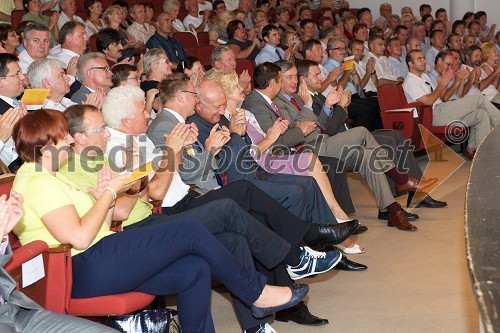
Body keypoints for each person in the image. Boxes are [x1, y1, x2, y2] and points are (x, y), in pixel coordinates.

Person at [11, 108, 309, 333]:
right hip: (81, 269)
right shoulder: (37, 179)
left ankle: (254, 294)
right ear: (47, 145)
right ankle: (256, 292)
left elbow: (113, 218)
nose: (68, 145)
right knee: (191, 230)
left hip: (101, 256)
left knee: (195, 268)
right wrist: (108, 194)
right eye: (63, 139)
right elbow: (79, 238)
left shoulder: (53, 177)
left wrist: (115, 192)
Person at [247, 61, 433, 230]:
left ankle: (392, 210)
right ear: (275, 81)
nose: (294, 81)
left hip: (321, 140)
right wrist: (311, 106)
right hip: (307, 148)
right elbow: (298, 130)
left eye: (296, 76)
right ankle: (400, 179)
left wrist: (327, 106)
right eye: (288, 78)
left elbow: (317, 124)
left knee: (368, 156)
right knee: (361, 132)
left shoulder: (294, 97)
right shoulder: (281, 101)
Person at [0, 191, 118, 332]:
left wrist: (3, 235)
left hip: (14, 310)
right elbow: (80, 239)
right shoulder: (35, 180)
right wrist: (110, 192)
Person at [403, 49, 500, 160]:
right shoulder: (410, 81)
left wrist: (443, 83)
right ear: (410, 64)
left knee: (481, 114)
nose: (424, 61)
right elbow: (428, 102)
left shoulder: (423, 77)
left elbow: (442, 97)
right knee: (479, 98)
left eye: (424, 58)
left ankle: (478, 152)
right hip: (431, 114)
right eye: (419, 59)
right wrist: (442, 84)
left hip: (441, 110)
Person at [0, 54, 28, 170]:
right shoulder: (4, 115)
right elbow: (8, 163)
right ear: (1, 81)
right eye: (17, 74)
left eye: (20, 72)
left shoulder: (21, 101)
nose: (22, 77)